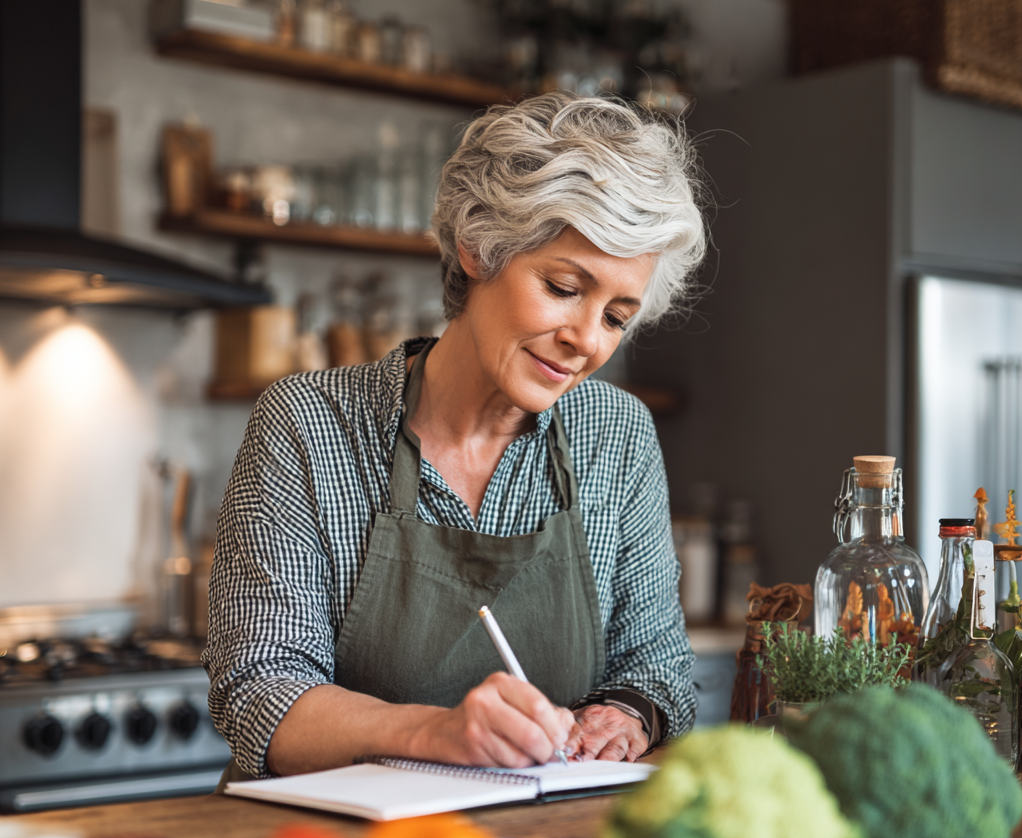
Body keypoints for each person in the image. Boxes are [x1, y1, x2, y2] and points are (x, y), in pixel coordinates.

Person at [204, 93, 706, 781]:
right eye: (563, 287)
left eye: (617, 317)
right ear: (477, 247)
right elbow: (259, 693)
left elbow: (659, 666)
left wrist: (624, 714)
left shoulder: (616, 434)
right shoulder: (309, 425)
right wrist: (440, 732)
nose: (586, 340)